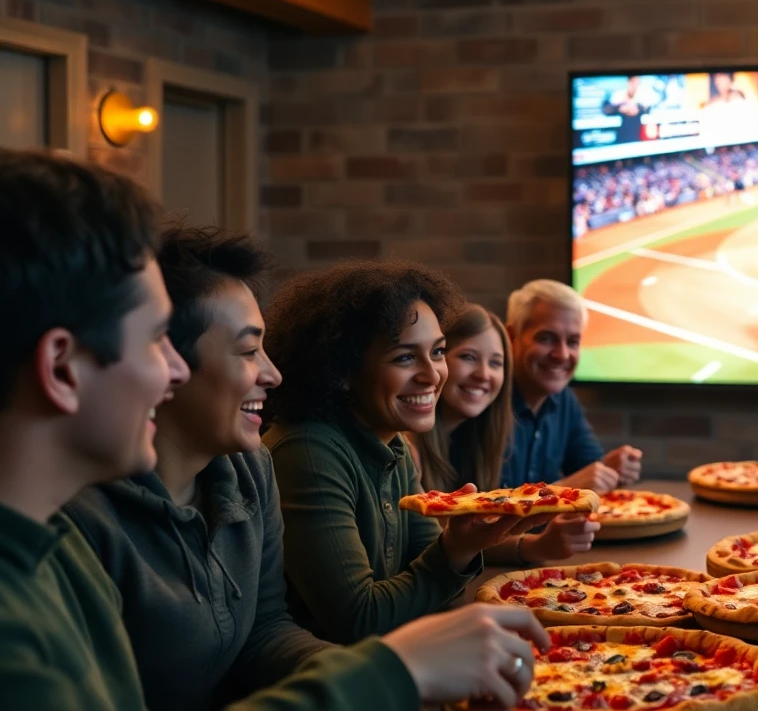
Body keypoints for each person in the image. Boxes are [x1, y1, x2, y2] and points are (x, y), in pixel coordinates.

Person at [0, 149, 548, 709]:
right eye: (153, 339)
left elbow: (262, 633)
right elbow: (356, 618)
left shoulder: (64, 535)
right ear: (62, 367)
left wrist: (402, 673)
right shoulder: (69, 542)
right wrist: (394, 672)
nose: (171, 369)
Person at [61, 227, 328, 709]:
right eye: (249, 352)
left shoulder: (250, 467)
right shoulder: (78, 518)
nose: (273, 374)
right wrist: (382, 674)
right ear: (165, 363)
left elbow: (264, 629)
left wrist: (361, 667)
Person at [263, 262, 540, 644]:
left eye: (438, 351)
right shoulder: (307, 452)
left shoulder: (393, 443)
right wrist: (451, 552)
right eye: (405, 357)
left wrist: (460, 544)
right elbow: (360, 620)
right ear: (341, 371)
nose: (433, 374)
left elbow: (433, 589)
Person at [412, 304, 597, 564]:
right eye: (468, 357)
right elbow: (429, 546)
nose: (483, 374)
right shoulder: (408, 448)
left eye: (496, 363)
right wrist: (536, 545)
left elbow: (468, 538)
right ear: (438, 360)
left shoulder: (477, 435)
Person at [502, 279, 641, 492]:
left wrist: (611, 471)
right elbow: (479, 512)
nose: (562, 354)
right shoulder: (483, 400)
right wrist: (562, 489)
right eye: (546, 338)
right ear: (511, 337)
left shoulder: (564, 399)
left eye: (573, 342)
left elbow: (587, 471)